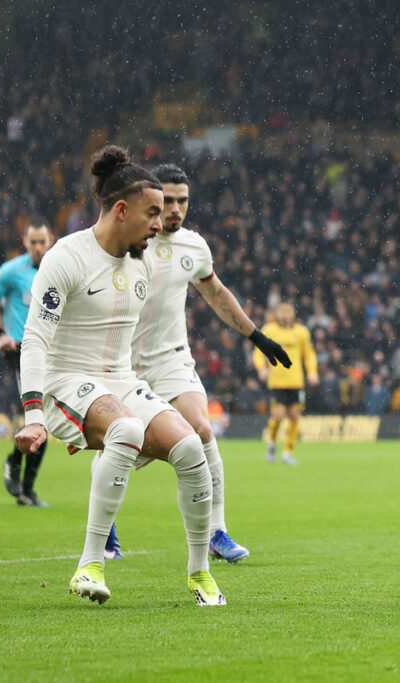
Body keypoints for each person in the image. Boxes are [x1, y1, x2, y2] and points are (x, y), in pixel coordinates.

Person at [13, 145, 226, 606]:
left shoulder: (144, 260)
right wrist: (33, 414)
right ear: (121, 209)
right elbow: (35, 341)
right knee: (127, 429)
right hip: (66, 381)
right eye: (153, 212)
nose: (161, 222)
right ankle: (90, 564)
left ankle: (200, 574)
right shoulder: (65, 258)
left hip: (122, 381)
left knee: (192, 447)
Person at [107, 163, 290, 564]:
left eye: (182, 201)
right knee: (120, 445)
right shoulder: (127, 241)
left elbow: (218, 295)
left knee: (203, 429)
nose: (175, 209)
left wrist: (256, 336)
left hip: (172, 359)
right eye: (167, 201)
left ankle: (216, 532)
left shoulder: (194, 247)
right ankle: (105, 529)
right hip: (121, 363)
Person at [0, 216, 54, 506]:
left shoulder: (58, 268)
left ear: (50, 240)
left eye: (42, 242)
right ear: (25, 242)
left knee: (45, 420)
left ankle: (25, 487)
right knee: (39, 416)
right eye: (32, 242)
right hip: (22, 351)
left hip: (51, 351)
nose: (37, 247)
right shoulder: (12, 271)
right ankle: (21, 476)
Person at [254, 302, 319, 464]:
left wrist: (312, 372)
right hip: (277, 382)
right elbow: (258, 352)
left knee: (295, 416)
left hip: (296, 382)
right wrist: (261, 368)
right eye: (282, 312)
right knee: (278, 416)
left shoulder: (301, 332)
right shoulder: (269, 330)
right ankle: (272, 442)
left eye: (288, 312)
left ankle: (288, 452)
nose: (285, 315)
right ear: (276, 314)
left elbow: (309, 354)